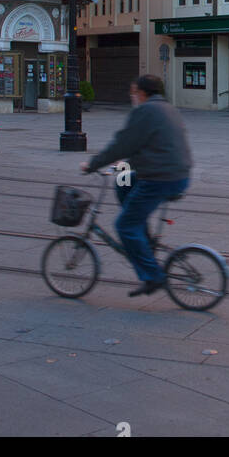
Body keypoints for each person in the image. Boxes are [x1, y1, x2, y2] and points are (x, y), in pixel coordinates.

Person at [83, 73, 192, 297]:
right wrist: (125, 165)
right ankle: (144, 239)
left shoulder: (145, 111)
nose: (132, 96)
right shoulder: (167, 108)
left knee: (124, 225)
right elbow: (152, 146)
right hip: (177, 173)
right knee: (123, 184)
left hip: (161, 178)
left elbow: (122, 144)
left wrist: (92, 165)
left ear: (142, 93)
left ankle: (153, 276)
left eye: (134, 92)